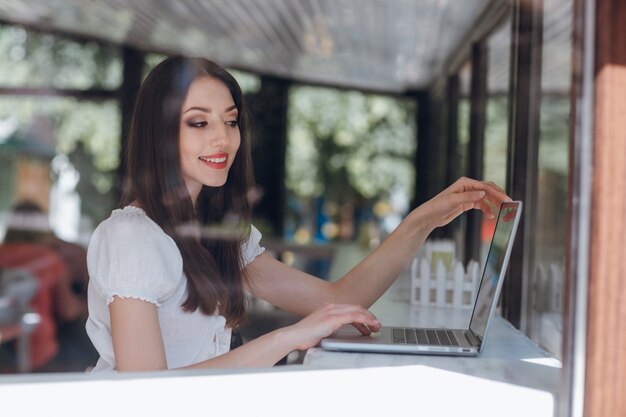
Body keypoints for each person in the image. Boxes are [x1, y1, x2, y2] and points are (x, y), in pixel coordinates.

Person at [85, 55, 511, 373]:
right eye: (198, 123)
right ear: (158, 134)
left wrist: (424, 219)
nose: (222, 139)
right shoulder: (132, 238)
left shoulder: (217, 234)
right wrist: (290, 336)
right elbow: (145, 396)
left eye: (231, 122)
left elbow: (336, 299)